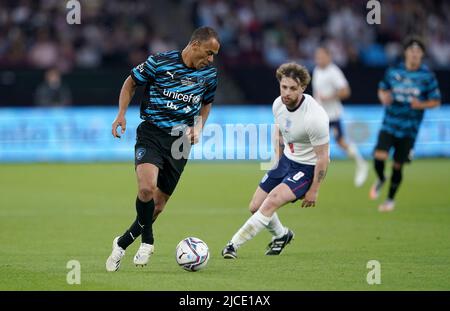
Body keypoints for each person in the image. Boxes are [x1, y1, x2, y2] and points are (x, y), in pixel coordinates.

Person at [106, 26, 220, 271]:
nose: (210, 59)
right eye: (209, 53)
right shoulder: (160, 62)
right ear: (195, 45)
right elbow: (130, 83)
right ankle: (148, 240)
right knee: (146, 188)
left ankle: (123, 241)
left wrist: (198, 127)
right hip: (152, 133)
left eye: (214, 56)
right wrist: (121, 114)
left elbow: (206, 104)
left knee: (158, 206)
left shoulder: (209, 75)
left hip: (181, 142)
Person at [222, 63, 330, 259]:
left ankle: (232, 245)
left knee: (271, 201)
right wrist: (277, 160)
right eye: (284, 87)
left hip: (307, 168)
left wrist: (314, 190)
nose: (286, 92)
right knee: (255, 206)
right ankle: (282, 235)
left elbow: (324, 157)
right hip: (286, 160)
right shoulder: (278, 104)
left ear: (303, 88)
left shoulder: (314, 118)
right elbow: (280, 131)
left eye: (292, 88)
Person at [370, 36, 441, 212]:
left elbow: (436, 101)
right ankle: (380, 178)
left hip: (409, 129)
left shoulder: (427, 76)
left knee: (397, 165)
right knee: (379, 157)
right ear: (406, 53)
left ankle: (389, 200)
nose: (414, 54)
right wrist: (383, 97)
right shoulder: (394, 71)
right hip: (389, 124)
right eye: (412, 50)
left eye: (418, 51)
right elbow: (382, 88)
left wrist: (421, 105)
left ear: (422, 54)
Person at [312, 46, 368, 187]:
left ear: (328, 56)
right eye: (317, 56)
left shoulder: (334, 72)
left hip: (332, 115)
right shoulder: (317, 71)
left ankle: (361, 164)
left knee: (340, 142)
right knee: (313, 143)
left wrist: (329, 97)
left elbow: (345, 91)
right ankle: (310, 174)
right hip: (320, 115)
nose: (318, 59)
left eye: (321, 56)